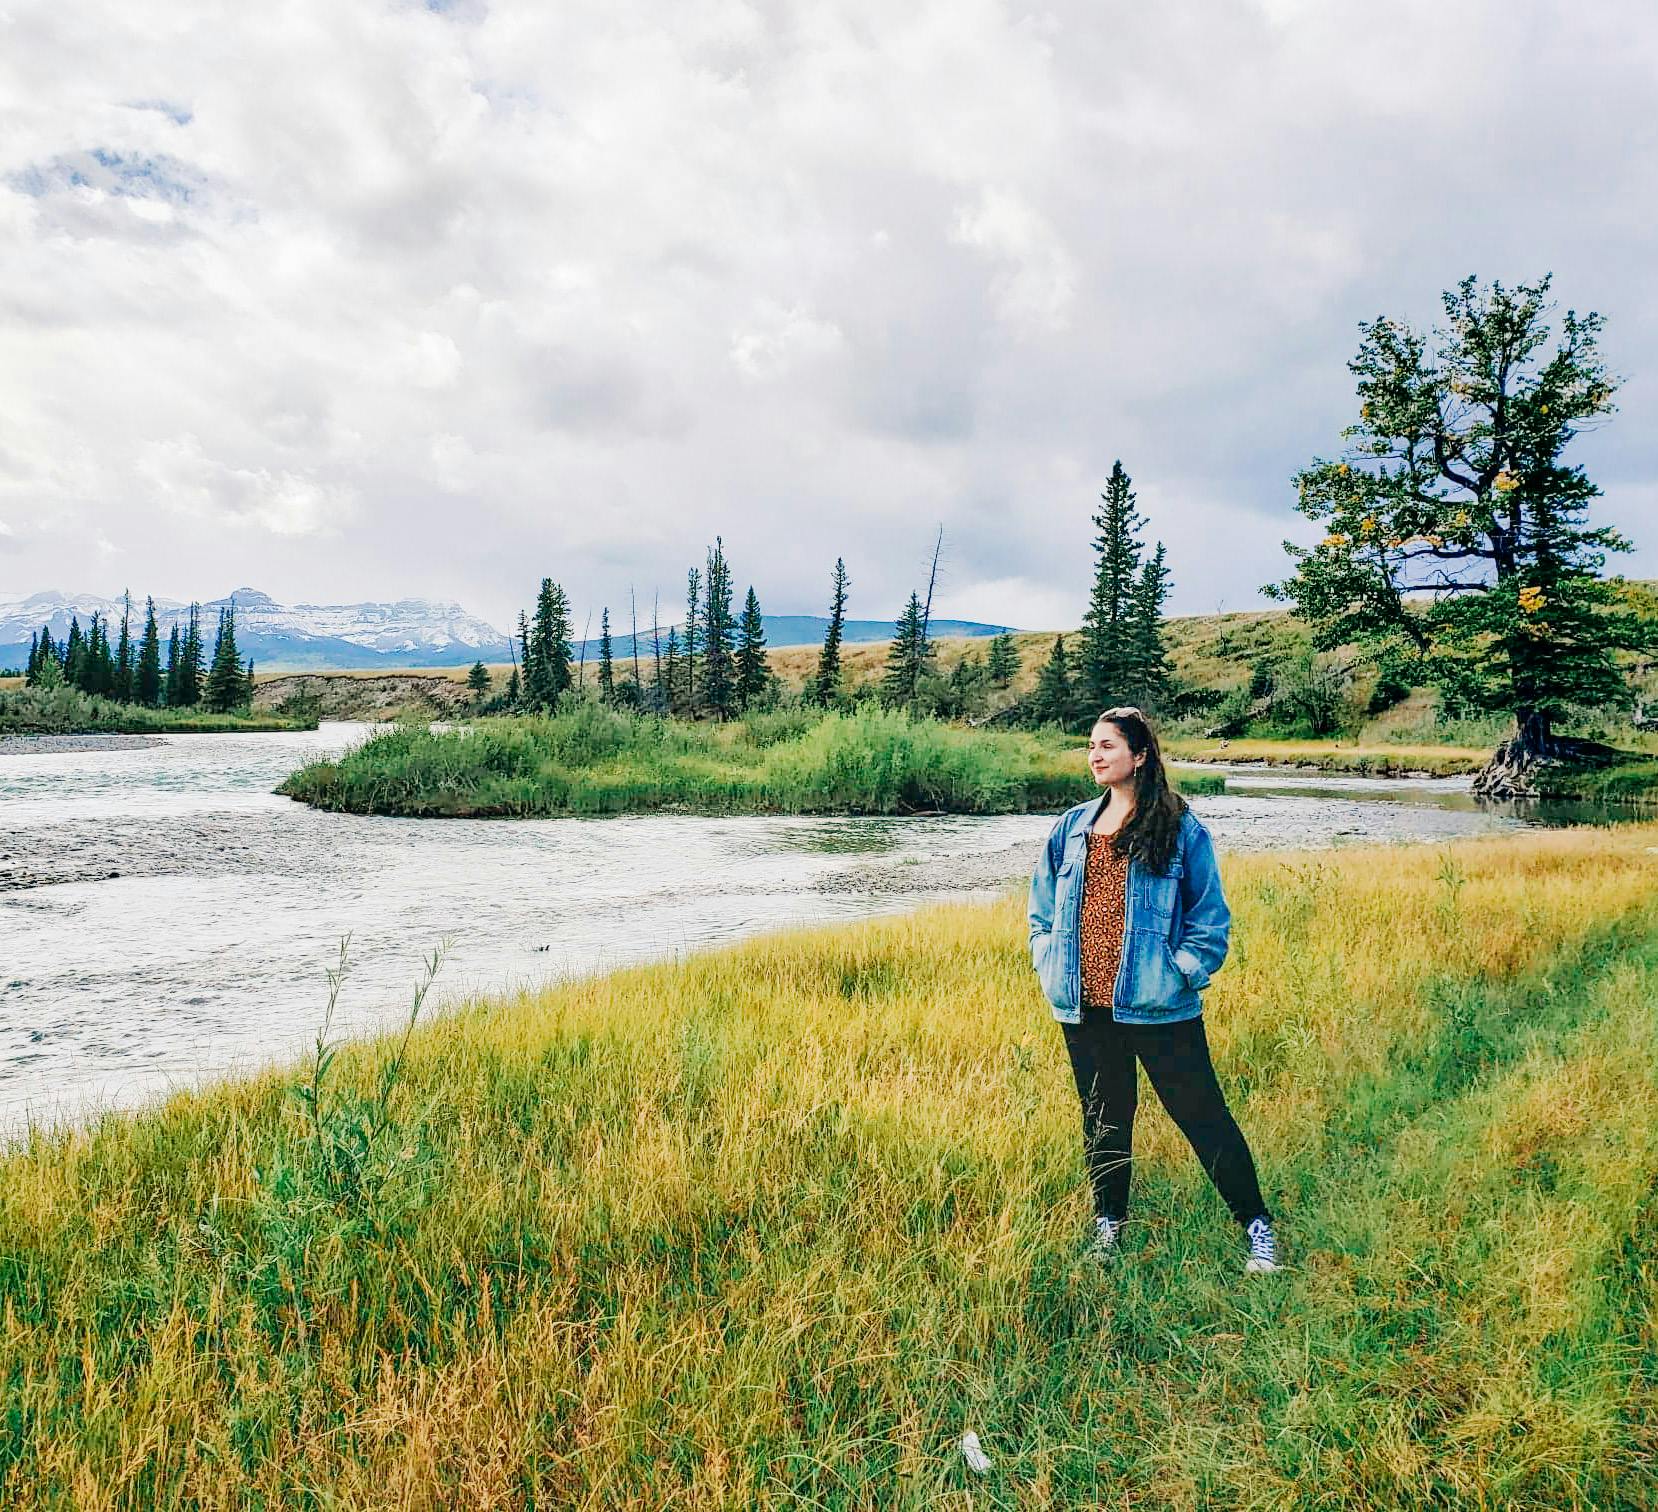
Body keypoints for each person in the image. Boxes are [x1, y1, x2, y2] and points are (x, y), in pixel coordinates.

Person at [1027, 707, 1278, 1273]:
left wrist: (1176, 972)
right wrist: (1047, 959)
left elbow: (1209, 922)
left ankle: (1257, 1226)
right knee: (1104, 1118)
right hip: (1083, 1004)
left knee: (1202, 1114)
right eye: (1091, 745)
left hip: (1160, 1008)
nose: (1095, 755)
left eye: (1108, 746)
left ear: (1139, 756)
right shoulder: (1071, 828)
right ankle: (1109, 1223)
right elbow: (1040, 912)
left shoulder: (1180, 828)